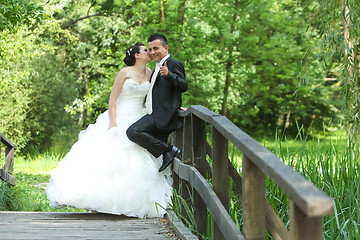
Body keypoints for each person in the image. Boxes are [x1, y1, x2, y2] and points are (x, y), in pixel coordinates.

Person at [46, 42, 173, 219]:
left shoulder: (151, 73)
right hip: (119, 116)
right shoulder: (124, 73)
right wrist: (113, 123)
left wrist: (175, 107)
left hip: (138, 118)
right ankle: (98, 199)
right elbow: (112, 99)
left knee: (137, 160)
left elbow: (157, 95)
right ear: (137, 55)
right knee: (108, 158)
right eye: (146, 50)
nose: (150, 53)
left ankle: (130, 202)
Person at [126, 33, 188, 172]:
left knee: (133, 131)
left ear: (165, 48)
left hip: (162, 116)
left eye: (156, 48)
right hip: (153, 112)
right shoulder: (155, 68)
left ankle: (169, 150)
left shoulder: (173, 64)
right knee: (151, 160)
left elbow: (183, 86)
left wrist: (169, 75)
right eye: (150, 49)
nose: (153, 52)